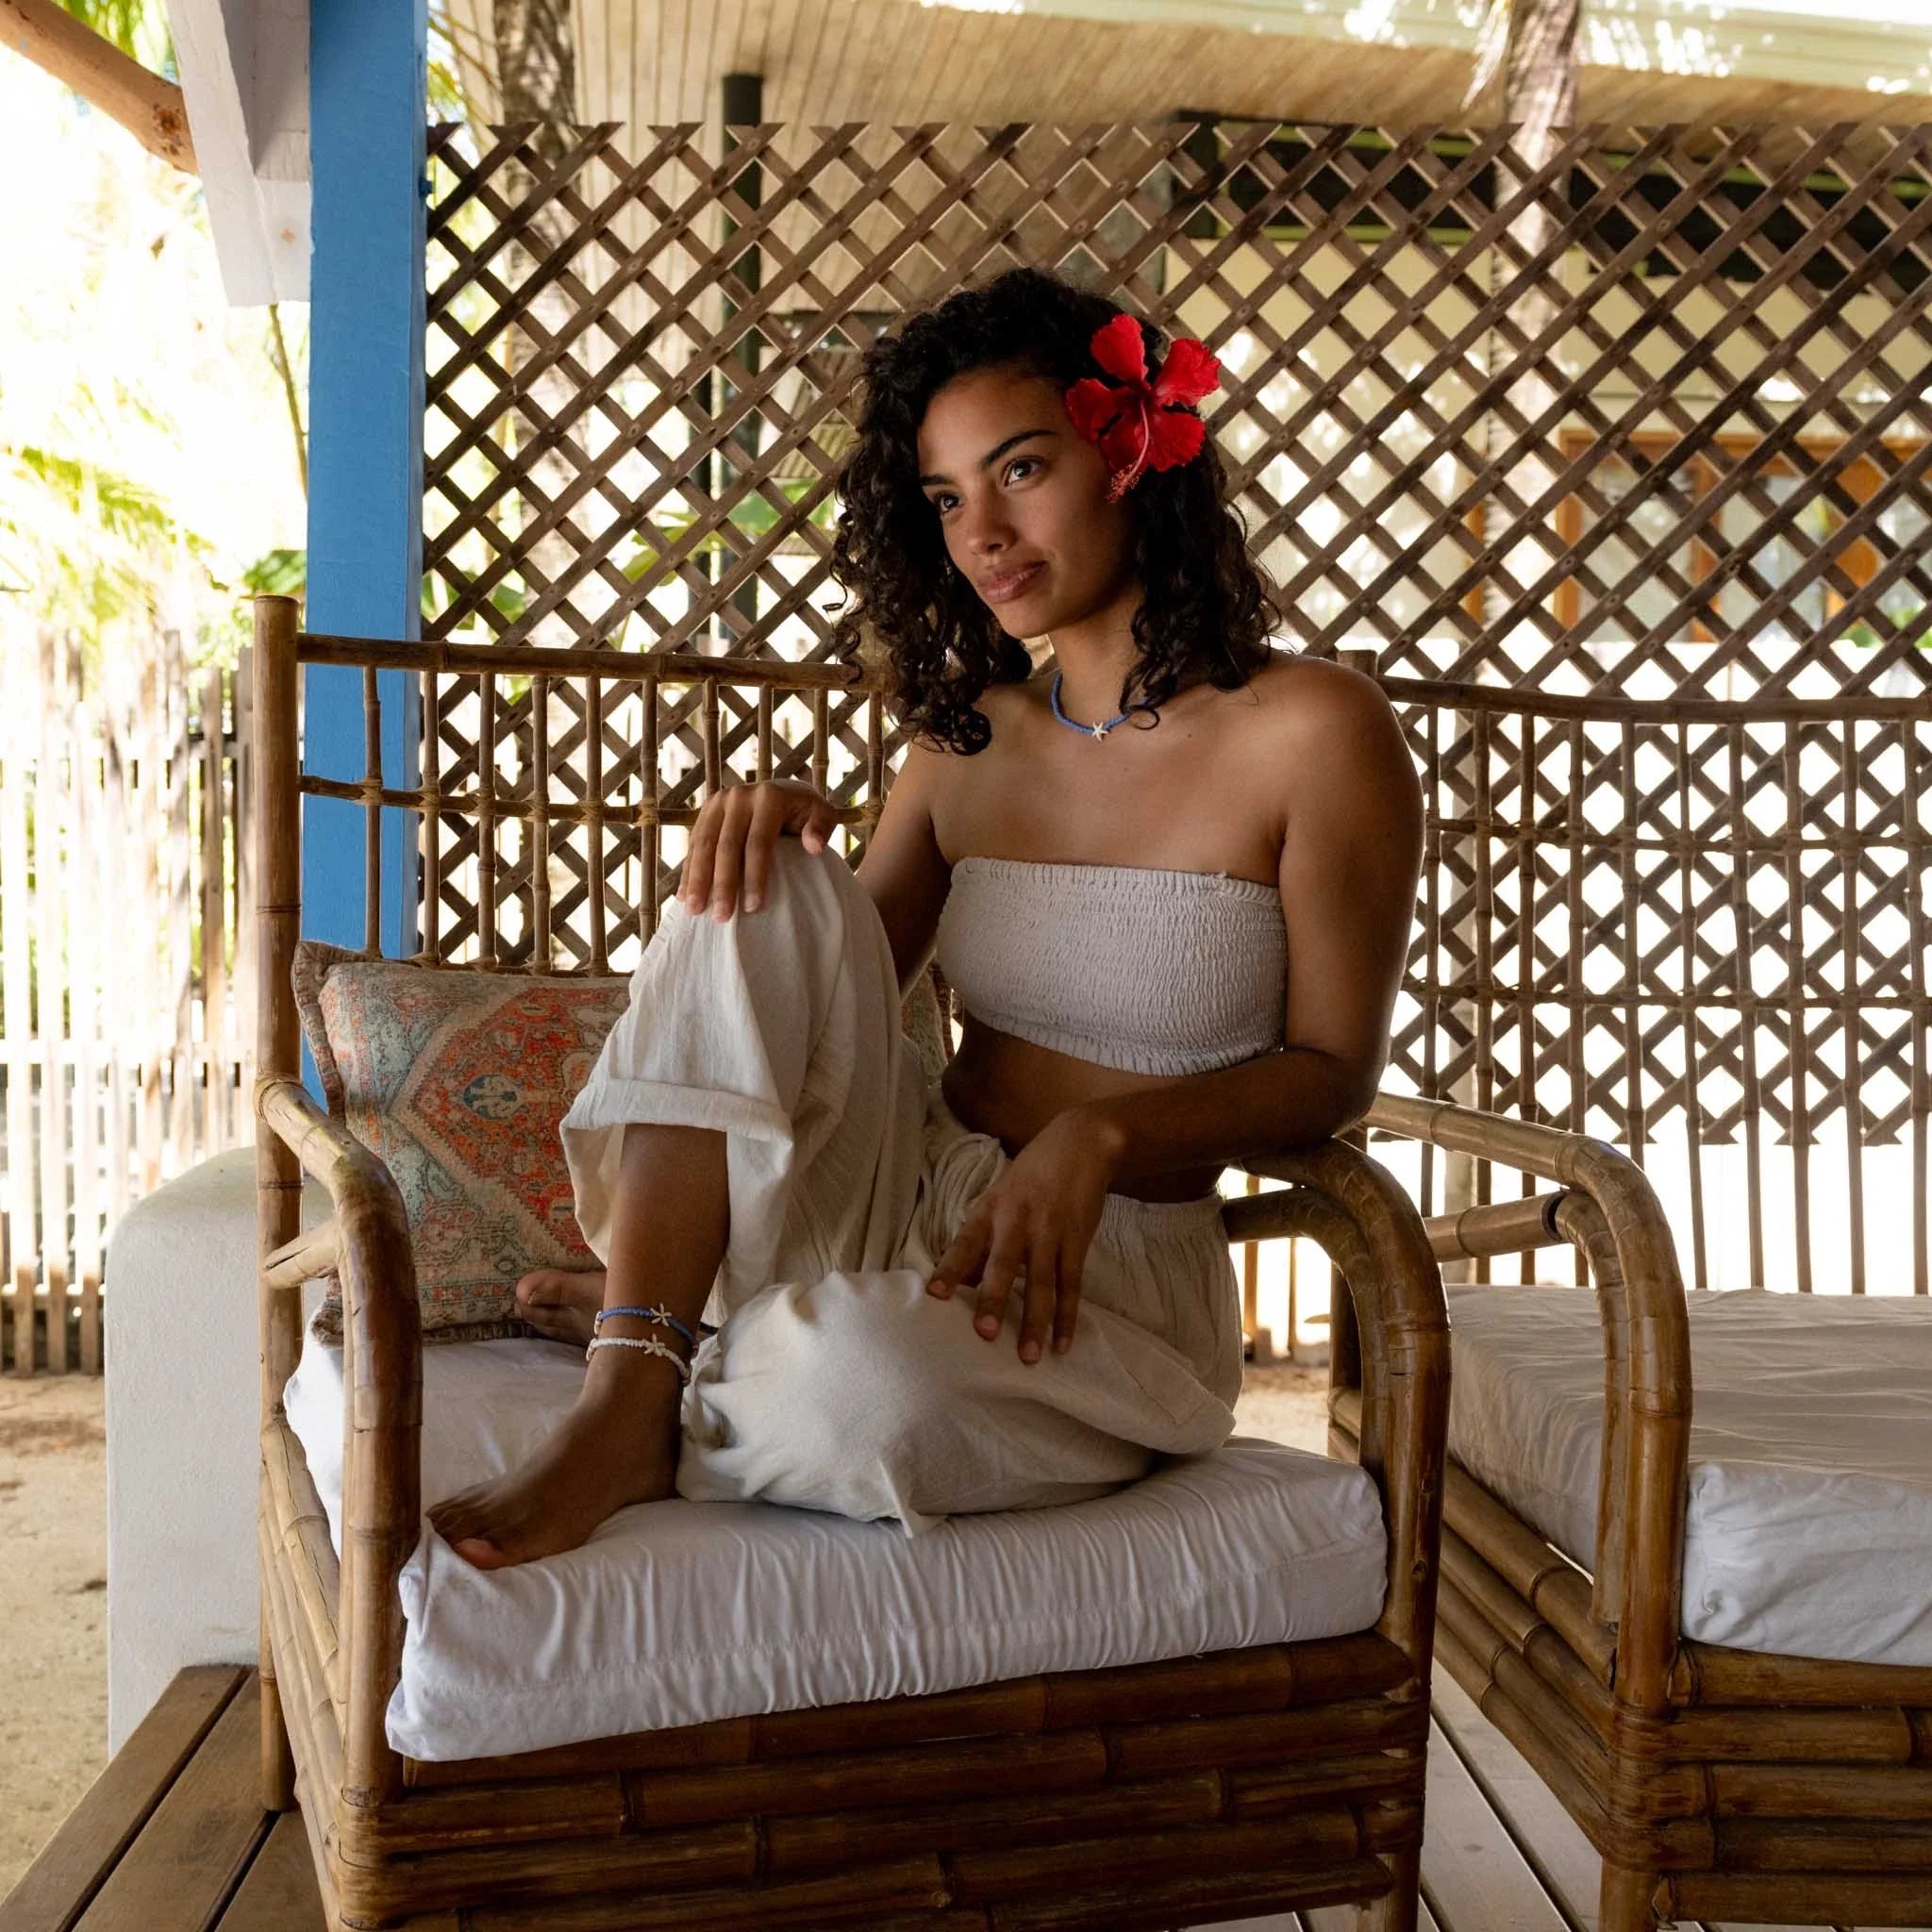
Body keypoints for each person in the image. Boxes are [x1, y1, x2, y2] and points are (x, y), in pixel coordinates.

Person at [425, 263, 1424, 1570]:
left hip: (1100, 1279)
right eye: (948, 499)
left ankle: (694, 1339)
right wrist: (779, 831)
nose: (982, 534)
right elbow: (813, 992)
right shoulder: (969, 744)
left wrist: (1100, 1137)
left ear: (1133, 453)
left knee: (856, 1385)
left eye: (1020, 471)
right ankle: (630, 1389)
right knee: (759, 877)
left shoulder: (1314, 733)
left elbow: (1331, 1072)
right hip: (904, 1190)